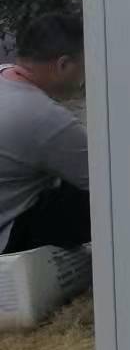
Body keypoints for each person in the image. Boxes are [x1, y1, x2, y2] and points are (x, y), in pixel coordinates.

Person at [0, 13, 90, 254]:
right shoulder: (44, 117)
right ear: (64, 65)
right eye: (85, 67)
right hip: (7, 239)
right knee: (100, 196)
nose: (85, 79)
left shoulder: (4, 75)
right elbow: (107, 182)